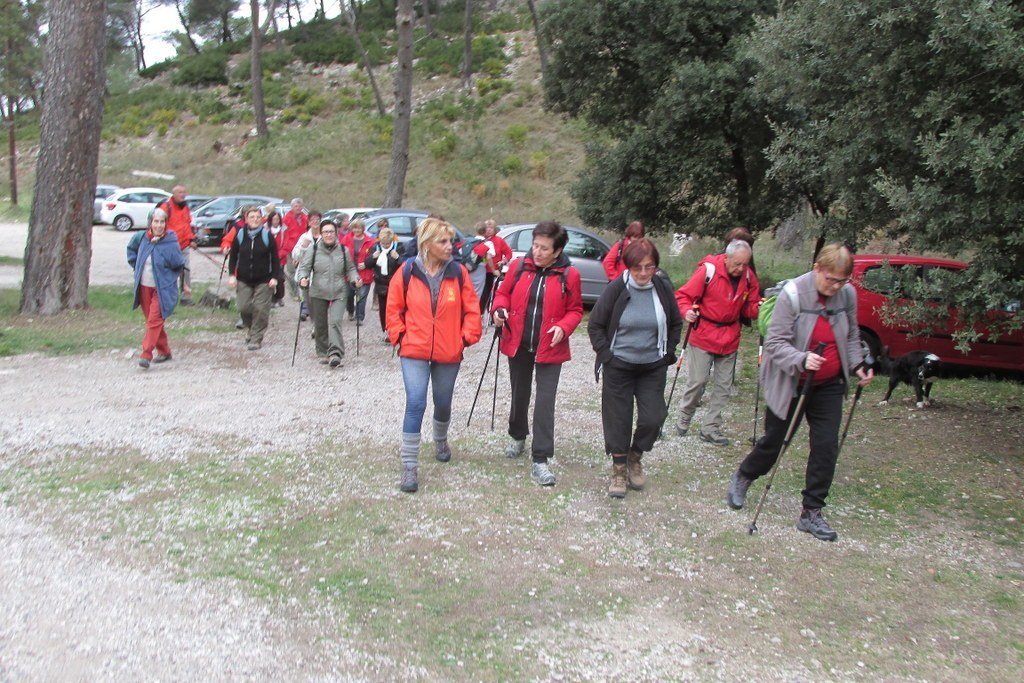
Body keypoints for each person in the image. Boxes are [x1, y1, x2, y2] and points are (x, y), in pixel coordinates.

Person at [725, 244, 874, 542]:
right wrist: (801, 358)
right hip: (792, 380)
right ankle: (745, 475)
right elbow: (775, 343)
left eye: (841, 281)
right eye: (830, 279)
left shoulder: (847, 295)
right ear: (818, 268)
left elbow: (852, 335)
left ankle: (811, 512)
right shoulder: (793, 294)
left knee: (826, 445)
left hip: (829, 383)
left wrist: (858, 362)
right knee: (774, 441)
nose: (835, 287)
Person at [386, 217, 482, 493]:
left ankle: (440, 439)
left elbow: (472, 309)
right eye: (442, 241)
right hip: (413, 349)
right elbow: (393, 308)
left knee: (442, 401)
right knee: (416, 402)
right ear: (426, 244)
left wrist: (466, 337)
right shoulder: (406, 271)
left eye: (450, 240)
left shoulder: (458, 272)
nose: (449, 246)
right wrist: (400, 336)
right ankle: (409, 466)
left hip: (448, 349)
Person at [491, 220, 583, 487]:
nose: (537, 252)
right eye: (535, 245)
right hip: (518, 342)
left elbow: (576, 310)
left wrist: (564, 328)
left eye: (544, 248)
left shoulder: (570, 275)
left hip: (550, 347)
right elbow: (502, 294)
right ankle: (518, 435)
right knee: (519, 393)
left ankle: (540, 458)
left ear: (557, 251)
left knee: (545, 401)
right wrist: (499, 311)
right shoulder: (520, 266)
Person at [589, 239, 683, 497]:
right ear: (628, 266)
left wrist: (669, 352)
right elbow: (595, 325)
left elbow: (675, 322)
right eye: (638, 267)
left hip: (652, 366)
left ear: (656, 267)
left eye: (649, 266)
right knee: (618, 419)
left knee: (654, 417)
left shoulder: (662, 289)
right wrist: (606, 355)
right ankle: (619, 470)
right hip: (619, 365)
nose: (643, 273)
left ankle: (635, 456)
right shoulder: (616, 289)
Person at [673, 239, 761, 446]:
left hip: (730, 336)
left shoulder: (748, 277)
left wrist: (763, 310)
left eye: (745, 264)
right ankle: (685, 416)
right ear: (726, 257)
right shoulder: (708, 271)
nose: (741, 269)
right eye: (737, 264)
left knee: (723, 387)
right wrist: (687, 312)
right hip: (704, 333)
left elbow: (750, 308)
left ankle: (710, 428)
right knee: (698, 381)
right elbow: (683, 295)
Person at [127, 208, 186, 369]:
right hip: (144, 286)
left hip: (163, 289)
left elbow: (179, 264)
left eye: (162, 222)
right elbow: (131, 251)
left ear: (166, 224)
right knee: (152, 322)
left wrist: (171, 277)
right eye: (156, 222)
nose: (159, 225)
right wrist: (137, 266)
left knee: (154, 320)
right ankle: (165, 351)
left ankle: (146, 354)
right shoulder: (142, 238)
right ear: (150, 223)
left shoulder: (170, 241)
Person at [296, 219, 360, 367]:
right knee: (320, 324)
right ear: (321, 234)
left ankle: (335, 353)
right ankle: (323, 351)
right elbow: (304, 268)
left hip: (339, 291)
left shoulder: (343, 251)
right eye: (326, 232)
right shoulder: (313, 250)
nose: (329, 235)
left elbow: (350, 269)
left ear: (336, 233)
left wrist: (355, 279)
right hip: (318, 291)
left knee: (335, 321)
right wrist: (303, 279)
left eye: (331, 232)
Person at [228, 206, 283, 351]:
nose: (255, 220)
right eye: (252, 217)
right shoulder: (240, 235)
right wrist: (232, 275)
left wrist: (274, 278)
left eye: (258, 217)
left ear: (262, 219)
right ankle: (251, 329)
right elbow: (233, 256)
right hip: (243, 278)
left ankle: (256, 338)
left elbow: (275, 259)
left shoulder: (267, 236)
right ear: (246, 219)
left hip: (264, 280)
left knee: (261, 309)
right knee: (243, 307)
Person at [156, 185, 195, 304]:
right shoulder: (165, 207)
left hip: (184, 245)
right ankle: (167, 300)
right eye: (180, 192)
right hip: (169, 246)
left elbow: (187, 225)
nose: (183, 194)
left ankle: (185, 297)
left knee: (186, 271)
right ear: (173, 194)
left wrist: (191, 239)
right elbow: (158, 226)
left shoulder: (185, 208)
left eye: (184, 192)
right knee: (169, 273)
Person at [366, 225, 403, 342]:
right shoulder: (375, 248)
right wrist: (373, 257)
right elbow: (367, 264)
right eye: (383, 243)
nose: (385, 245)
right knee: (383, 309)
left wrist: (398, 258)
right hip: (381, 284)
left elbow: (406, 264)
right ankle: (387, 330)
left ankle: (396, 330)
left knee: (396, 309)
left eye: (388, 243)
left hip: (395, 284)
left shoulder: (399, 247)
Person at [341, 218, 376, 324]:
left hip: (364, 273)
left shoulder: (370, 241)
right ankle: (350, 311)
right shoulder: (346, 239)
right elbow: (341, 254)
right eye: (355, 228)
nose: (357, 230)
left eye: (359, 228)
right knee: (349, 295)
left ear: (363, 229)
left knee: (362, 296)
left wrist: (366, 264)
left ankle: (359, 317)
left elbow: (374, 257)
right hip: (349, 273)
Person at [291, 210, 322, 321]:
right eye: (312, 220)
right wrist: (303, 247)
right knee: (307, 298)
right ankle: (310, 316)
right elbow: (295, 255)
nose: (315, 222)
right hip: (306, 273)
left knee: (318, 300)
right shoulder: (304, 237)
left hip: (321, 273)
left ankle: (316, 324)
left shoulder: (325, 236)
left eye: (317, 220)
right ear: (308, 222)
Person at [480, 219, 512, 313]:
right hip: (482, 271)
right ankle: (481, 314)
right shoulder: (481, 240)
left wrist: (503, 261)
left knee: (493, 294)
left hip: (494, 271)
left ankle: (492, 313)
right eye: (487, 228)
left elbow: (508, 253)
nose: (489, 230)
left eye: (491, 228)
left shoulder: (499, 240)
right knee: (483, 294)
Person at [280, 198, 309, 302]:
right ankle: (295, 293)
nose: (298, 208)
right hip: (290, 249)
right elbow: (282, 234)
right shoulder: (285, 220)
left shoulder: (305, 218)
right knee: (292, 272)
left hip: (303, 248)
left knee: (303, 270)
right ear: (292, 207)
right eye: (296, 206)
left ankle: (304, 292)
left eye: (300, 206)